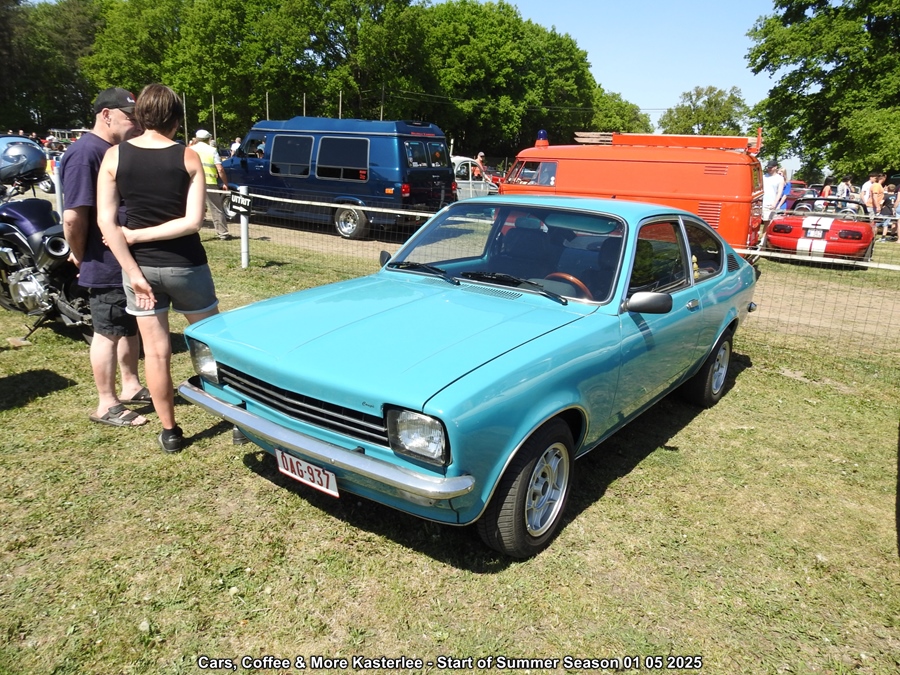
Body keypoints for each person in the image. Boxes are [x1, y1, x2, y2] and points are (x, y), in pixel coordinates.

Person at [97, 83, 220, 453]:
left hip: (141, 269)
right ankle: (235, 416)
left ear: (141, 117)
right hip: (186, 265)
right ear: (177, 120)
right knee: (213, 344)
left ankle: (170, 431)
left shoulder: (114, 157)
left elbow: (106, 223)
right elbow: (192, 223)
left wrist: (134, 267)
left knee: (156, 353)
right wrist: (137, 238)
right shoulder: (188, 156)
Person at [59, 86, 150, 429]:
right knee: (107, 330)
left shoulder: (112, 150)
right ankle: (106, 403)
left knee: (127, 325)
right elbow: (73, 217)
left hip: (122, 259)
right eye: (130, 117)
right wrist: (80, 255)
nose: (136, 124)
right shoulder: (85, 153)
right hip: (103, 260)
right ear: (106, 115)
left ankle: (130, 386)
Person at [192, 129, 231, 240]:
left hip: (194, 182)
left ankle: (191, 232)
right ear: (208, 139)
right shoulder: (212, 150)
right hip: (210, 183)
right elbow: (220, 169)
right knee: (216, 208)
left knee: (193, 208)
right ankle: (223, 233)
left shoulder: (190, 149)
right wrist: (225, 183)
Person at [762, 160, 785, 226]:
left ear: (775, 167)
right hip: (761, 203)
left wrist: (775, 203)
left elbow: (779, 192)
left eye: (771, 167)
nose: (769, 169)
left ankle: (765, 233)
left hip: (770, 203)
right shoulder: (763, 177)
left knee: (767, 222)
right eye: (768, 167)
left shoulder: (780, 179)